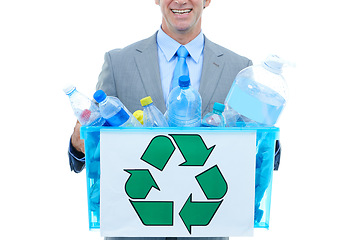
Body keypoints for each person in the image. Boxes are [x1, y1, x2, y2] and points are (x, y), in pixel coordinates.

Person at [68, 0, 277, 239]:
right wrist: (79, 145)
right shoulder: (118, 63)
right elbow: (94, 148)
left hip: (205, 229)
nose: (180, 1)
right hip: (132, 230)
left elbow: (259, 151)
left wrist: (266, 137)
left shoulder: (239, 69)